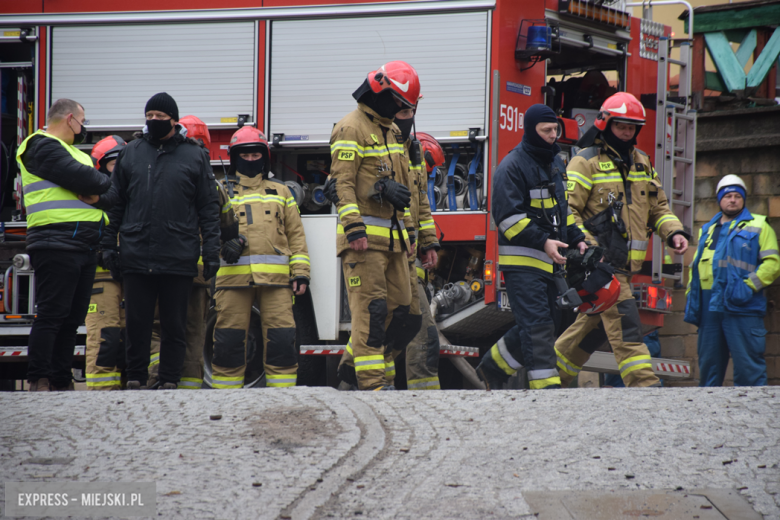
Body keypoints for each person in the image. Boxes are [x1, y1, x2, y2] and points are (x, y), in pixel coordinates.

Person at [554, 92, 690, 388]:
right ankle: (645, 387)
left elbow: (658, 208)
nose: (627, 132)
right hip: (602, 266)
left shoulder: (642, 162)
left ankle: (553, 377)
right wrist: (589, 250)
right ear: (606, 124)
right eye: (621, 126)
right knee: (626, 326)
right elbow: (568, 212)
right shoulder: (584, 162)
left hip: (626, 266)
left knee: (593, 330)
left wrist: (674, 232)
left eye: (632, 128)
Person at [99, 92, 220, 390]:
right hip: (136, 253)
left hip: (178, 255)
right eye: (149, 115)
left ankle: (169, 379)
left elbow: (208, 207)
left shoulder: (195, 155)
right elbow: (116, 204)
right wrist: (108, 245)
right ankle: (137, 377)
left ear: (173, 120)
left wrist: (212, 250)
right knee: (137, 324)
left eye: (159, 116)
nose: (153, 120)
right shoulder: (131, 152)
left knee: (174, 326)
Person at [475, 104, 587, 390]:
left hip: (551, 263)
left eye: (555, 130)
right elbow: (507, 219)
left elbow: (562, 211)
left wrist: (576, 237)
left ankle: (491, 368)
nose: (552, 135)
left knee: (550, 322)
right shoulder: (511, 166)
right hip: (523, 265)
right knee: (538, 327)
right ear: (530, 130)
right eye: (546, 130)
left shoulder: (554, 162)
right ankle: (547, 391)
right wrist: (543, 241)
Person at [330, 61, 420, 391]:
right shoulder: (350, 127)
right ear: (381, 92)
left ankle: (350, 373)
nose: (401, 110)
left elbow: (403, 189)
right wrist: (354, 228)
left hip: (395, 240)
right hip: (364, 242)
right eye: (399, 103)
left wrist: (410, 232)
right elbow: (342, 183)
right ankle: (372, 387)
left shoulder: (393, 130)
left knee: (402, 312)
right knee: (372, 312)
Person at [17, 98, 113, 392]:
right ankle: (40, 378)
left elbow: (106, 194)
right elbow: (89, 179)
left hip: (83, 246)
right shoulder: (40, 145)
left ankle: (61, 379)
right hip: (55, 242)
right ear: (70, 118)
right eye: (82, 122)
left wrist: (98, 190)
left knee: (71, 319)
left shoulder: (76, 153)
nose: (84, 128)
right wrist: (99, 185)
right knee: (52, 314)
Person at [211, 126, 309, 389]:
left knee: (282, 342)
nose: (251, 160)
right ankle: (224, 402)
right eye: (246, 155)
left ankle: (283, 400)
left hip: (276, 284)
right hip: (232, 282)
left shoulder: (281, 192)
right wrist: (224, 244)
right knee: (228, 344)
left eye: (256, 155)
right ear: (234, 158)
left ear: (264, 157)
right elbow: (205, 232)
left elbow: (296, 237)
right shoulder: (220, 190)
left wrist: (300, 273)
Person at [147, 115, 236, 390]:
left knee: (156, 327)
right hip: (194, 273)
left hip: (155, 266)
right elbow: (228, 225)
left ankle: (154, 381)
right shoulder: (212, 184)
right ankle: (184, 391)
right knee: (191, 332)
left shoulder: (153, 172)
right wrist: (233, 239)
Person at [685, 174, 780, 386]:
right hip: (709, 304)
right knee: (709, 365)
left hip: (741, 302)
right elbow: (696, 267)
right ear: (719, 200)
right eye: (728, 196)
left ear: (743, 199)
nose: (733, 200)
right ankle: (709, 411)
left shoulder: (759, 225)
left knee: (748, 365)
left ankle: (751, 412)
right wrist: (692, 296)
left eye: (738, 196)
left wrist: (747, 286)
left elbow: (772, 264)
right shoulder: (707, 230)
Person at [85, 135, 126, 390]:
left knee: (131, 338)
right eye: (113, 164)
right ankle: (100, 397)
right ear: (100, 168)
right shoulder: (88, 198)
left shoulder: (134, 194)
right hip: (102, 278)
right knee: (105, 337)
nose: (119, 170)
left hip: (131, 274)